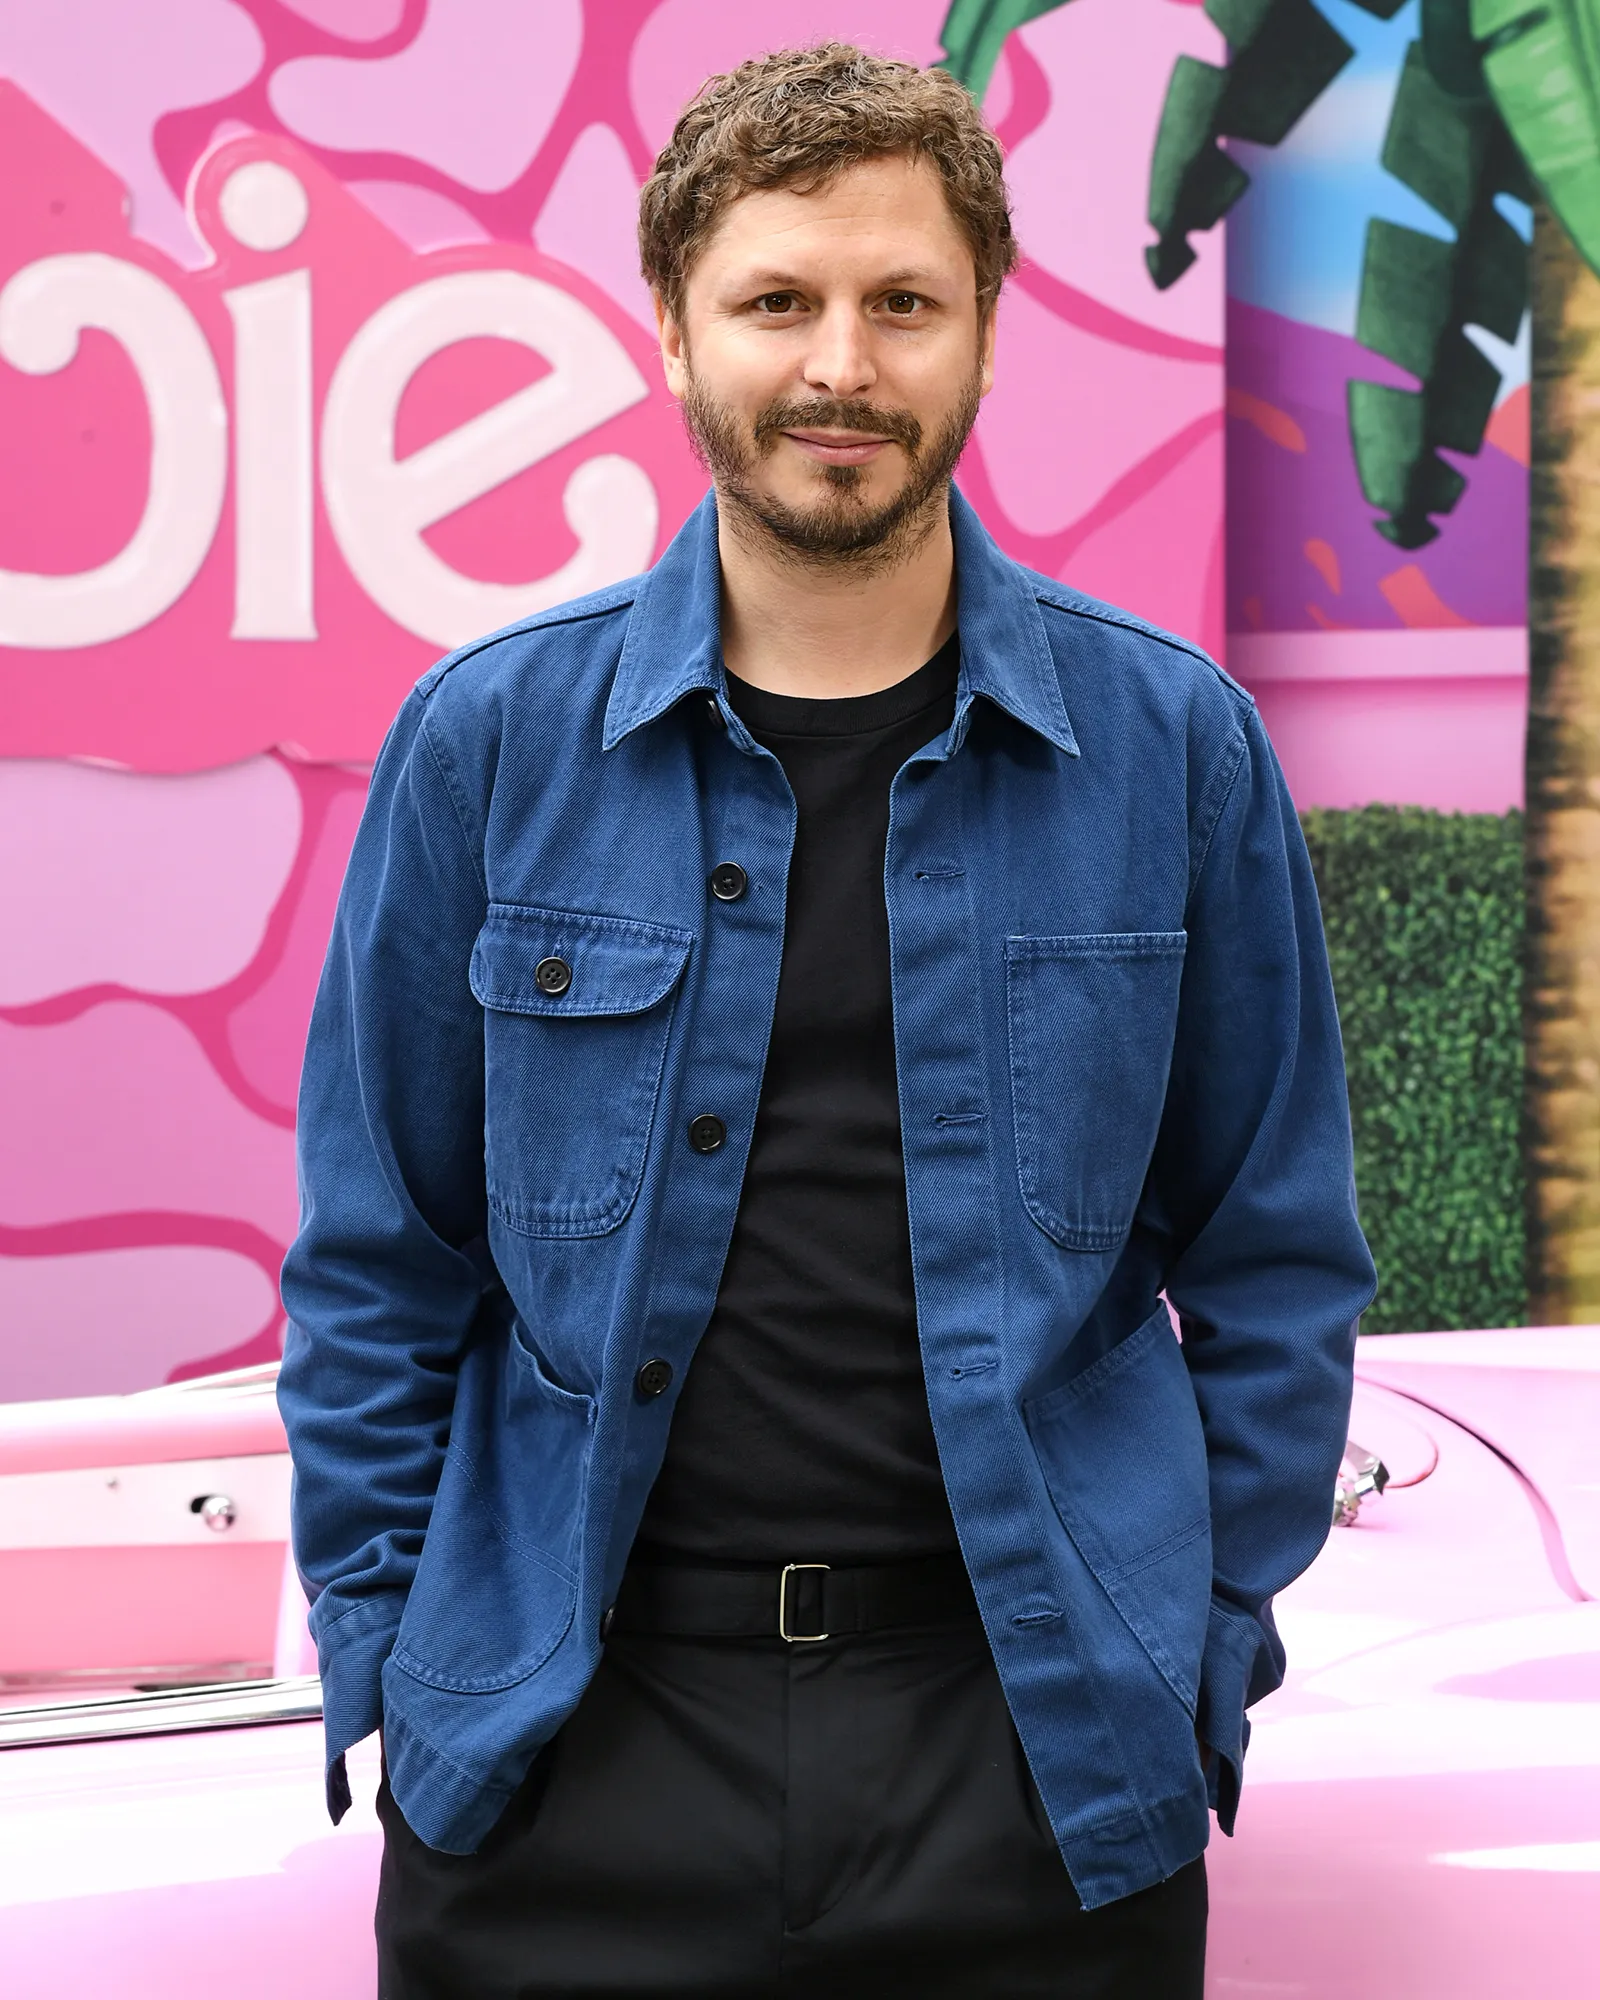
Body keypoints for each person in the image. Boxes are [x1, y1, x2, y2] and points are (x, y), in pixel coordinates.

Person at [278, 42, 1376, 1999]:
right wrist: (383, 1642)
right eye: (776, 300)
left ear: (979, 333)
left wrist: (1193, 1637)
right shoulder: (489, 745)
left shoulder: (1169, 746)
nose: (840, 367)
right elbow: (381, 1260)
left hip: (1024, 1752)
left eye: (900, 304)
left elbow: (1274, 1252)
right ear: (676, 331)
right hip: (569, 1755)